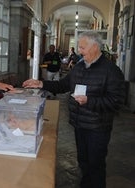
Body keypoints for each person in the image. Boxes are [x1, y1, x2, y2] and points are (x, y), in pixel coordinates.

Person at [22, 31, 125, 188]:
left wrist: (89, 101)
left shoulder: (111, 71)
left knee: (95, 165)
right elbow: (63, 85)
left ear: (95, 47)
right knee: (83, 163)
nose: (80, 51)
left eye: (82, 47)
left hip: (98, 128)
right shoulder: (79, 67)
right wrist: (41, 84)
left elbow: (116, 102)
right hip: (79, 124)